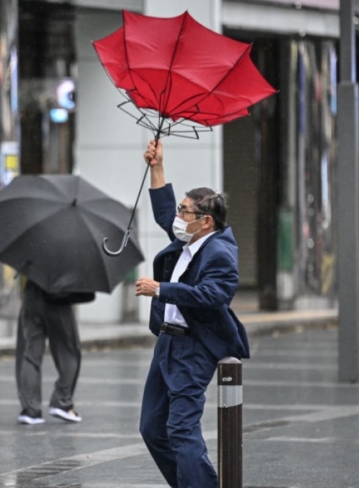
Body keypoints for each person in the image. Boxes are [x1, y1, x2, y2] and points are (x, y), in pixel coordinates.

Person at [134, 140, 250, 488]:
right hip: (168, 342)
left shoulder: (220, 253)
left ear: (205, 221)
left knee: (181, 429)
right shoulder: (190, 239)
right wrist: (157, 167)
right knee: (152, 427)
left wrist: (161, 289)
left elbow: (213, 295)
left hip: (193, 348)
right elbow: (163, 212)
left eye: (185, 212)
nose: (178, 217)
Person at [16, 277, 94, 425]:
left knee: (30, 354)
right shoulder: (73, 253)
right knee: (69, 350)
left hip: (32, 293)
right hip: (59, 296)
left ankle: (30, 410)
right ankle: (62, 401)